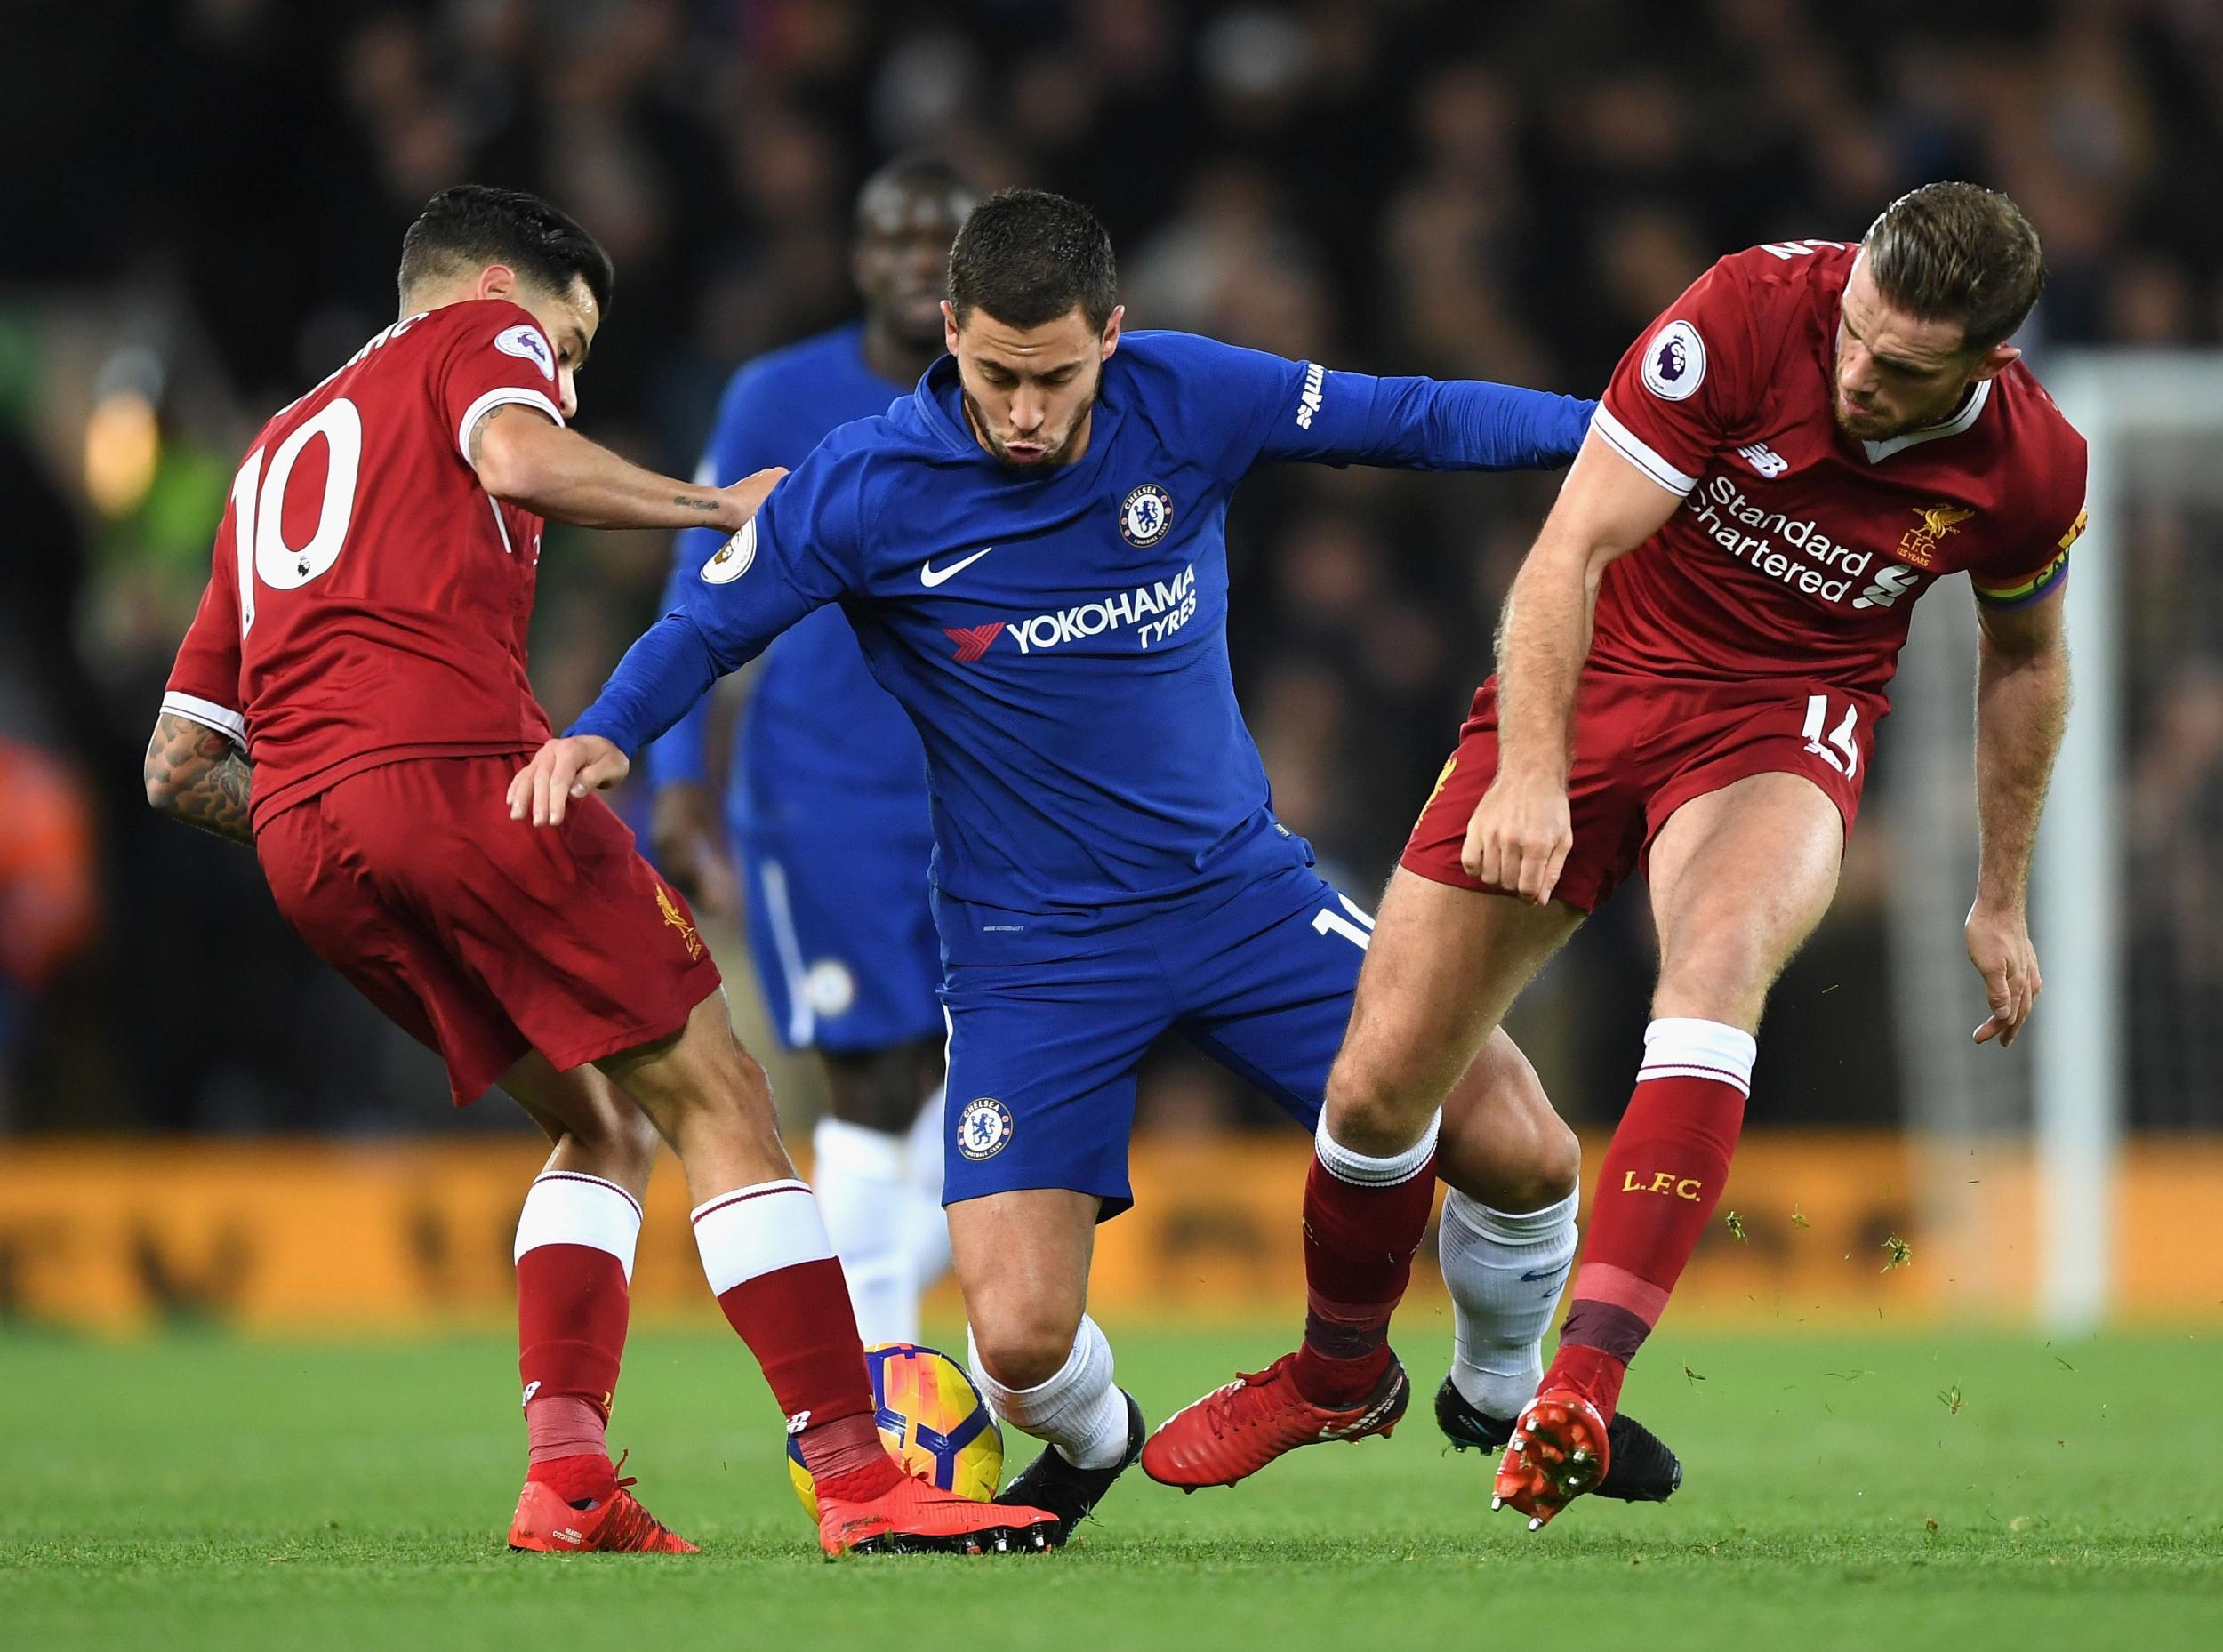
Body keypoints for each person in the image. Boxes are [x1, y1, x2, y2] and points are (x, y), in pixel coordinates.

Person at [510, 188, 1681, 1545]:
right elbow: (705, 629)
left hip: (1246, 900)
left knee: (1527, 1150)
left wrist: (1627, 443)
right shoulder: (862, 486)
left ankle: (1494, 1390)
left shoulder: (1186, 395)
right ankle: (1101, 1438)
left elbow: (1409, 417)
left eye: (1056, 376)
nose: (1023, 410)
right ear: (950, 335)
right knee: (1012, 1347)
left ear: (1112, 338)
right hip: (1032, 958)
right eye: (997, 375)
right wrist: (603, 736)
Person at [146, 184, 1055, 1559]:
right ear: (500, 284)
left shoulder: (275, 450)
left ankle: (566, 1479)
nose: (562, 377)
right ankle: (862, 1479)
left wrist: (339, 803)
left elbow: (175, 764)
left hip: (306, 843)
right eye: (567, 345)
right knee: (725, 1096)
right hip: (465, 777)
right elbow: (516, 456)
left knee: (601, 1121)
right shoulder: (478, 334)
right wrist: (716, 504)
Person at [1166, 181, 2086, 1529]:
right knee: (1373, 1089)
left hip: (1783, 718)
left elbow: (2027, 662)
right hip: (1593, 679)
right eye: (1856, 337)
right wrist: (1533, 774)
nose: (1858, 374)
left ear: (1988, 363)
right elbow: (1570, 550)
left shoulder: (2032, 465)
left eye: (1900, 367)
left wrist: (2000, 892)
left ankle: (1576, 1391)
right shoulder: (1745, 315)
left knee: (1711, 976)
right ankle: (1337, 1375)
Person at [648, 156, 977, 1345]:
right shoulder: (777, 397)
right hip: (823, 795)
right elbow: (701, 586)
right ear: (855, 258)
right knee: (873, 1079)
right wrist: (682, 785)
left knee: (1012, 1077)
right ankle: (883, 1375)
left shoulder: (1024, 394)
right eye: (891, 237)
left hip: (989, 793)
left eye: (940, 238)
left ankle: (892, 1328)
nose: (912, 259)